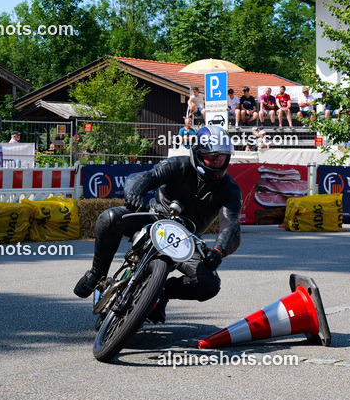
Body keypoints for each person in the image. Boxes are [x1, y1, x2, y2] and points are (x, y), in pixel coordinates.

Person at [73, 125, 241, 324]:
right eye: (211, 157)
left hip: (187, 240)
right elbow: (145, 177)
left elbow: (231, 224)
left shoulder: (230, 189)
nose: (216, 162)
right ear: (197, 153)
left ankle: (162, 293)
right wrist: (134, 193)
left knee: (209, 284)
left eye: (221, 157)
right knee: (110, 218)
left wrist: (219, 251)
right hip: (154, 219)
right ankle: (96, 275)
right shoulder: (178, 165)